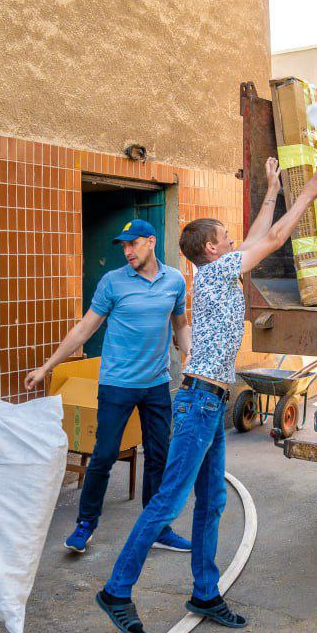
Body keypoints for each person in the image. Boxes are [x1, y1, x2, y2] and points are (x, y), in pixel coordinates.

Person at [95, 159, 317, 633]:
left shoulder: (218, 270)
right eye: (226, 238)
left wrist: (270, 189)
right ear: (211, 248)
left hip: (209, 401)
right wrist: (305, 195)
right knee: (168, 502)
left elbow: (253, 240)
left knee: (212, 501)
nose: (233, 243)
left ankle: (205, 592)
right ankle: (117, 589)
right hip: (200, 404)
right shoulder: (216, 272)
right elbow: (268, 242)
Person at [24, 219, 192, 555]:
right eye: (124, 246)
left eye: (133, 244)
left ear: (150, 242)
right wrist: (47, 366)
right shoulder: (112, 283)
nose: (127, 251)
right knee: (102, 456)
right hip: (117, 385)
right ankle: (85, 524)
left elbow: (181, 325)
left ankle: (158, 527)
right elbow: (83, 330)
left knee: (159, 456)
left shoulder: (174, 280)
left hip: (157, 384)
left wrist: (190, 357)